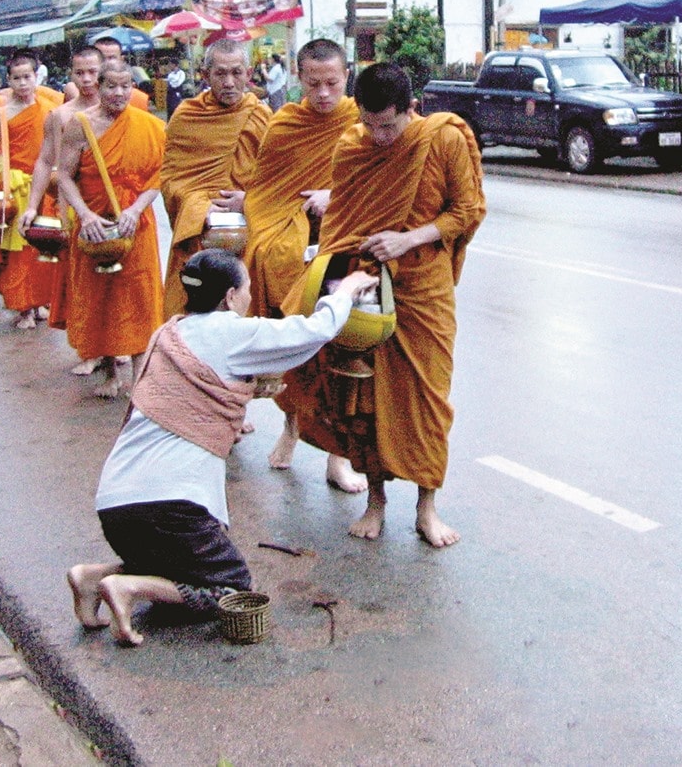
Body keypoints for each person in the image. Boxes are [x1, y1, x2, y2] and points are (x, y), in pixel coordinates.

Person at [65, 249, 379, 646]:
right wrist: (347, 289)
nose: (249, 297)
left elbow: (199, 395)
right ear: (230, 296)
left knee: (180, 561)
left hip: (116, 506)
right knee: (231, 588)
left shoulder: (167, 333)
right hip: (171, 507)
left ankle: (93, 577)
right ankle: (128, 589)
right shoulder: (233, 332)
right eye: (246, 288)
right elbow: (314, 332)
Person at [280, 61, 485, 547]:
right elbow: (341, 225)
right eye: (369, 124)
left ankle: (427, 507)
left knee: (428, 400)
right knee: (364, 400)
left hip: (423, 290)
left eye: (388, 126)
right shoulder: (352, 146)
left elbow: (468, 210)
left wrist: (408, 238)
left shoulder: (443, 139)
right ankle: (375, 501)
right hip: (367, 283)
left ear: (410, 109)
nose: (378, 136)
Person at [244, 39, 367, 493]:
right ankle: (292, 429)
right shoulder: (285, 124)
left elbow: (381, 180)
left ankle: (338, 458)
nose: (323, 94)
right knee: (294, 348)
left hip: (341, 248)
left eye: (333, 83)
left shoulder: (362, 120)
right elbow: (265, 191)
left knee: (337, 352)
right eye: (313, 84)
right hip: (291, 256)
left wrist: (335, 196)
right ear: (299, 78)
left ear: (346, 75)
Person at [56, 60, 167, 398]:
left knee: (140, 299)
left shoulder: (150, 125)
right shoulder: (80, 126)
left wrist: (136, 208)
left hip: (134, 225)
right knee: (98, 298)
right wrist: (85, 215)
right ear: (98, 88)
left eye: (125, 86)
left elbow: (159, 176)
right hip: (94, 225)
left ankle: (139, 378)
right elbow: (63, 175)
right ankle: (108, 371)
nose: (119, 93)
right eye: (111, 86)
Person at [159, 40, 271, 319]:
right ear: (205, 74)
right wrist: (199, 208)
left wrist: (249, 200)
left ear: (249, 73)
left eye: (236, 73)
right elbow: (171, 179)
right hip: (201, 233)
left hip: (248, 231)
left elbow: (277, 182)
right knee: (197, 311)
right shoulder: (187, 117)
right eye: (220, 74)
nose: (230, 82)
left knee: (247, 310)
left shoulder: (261, 116)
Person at [21, 47, 102, 367]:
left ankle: (115, 344)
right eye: (79, 73)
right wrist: (31, 206)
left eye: (93, 72)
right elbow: (44, 162)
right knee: (79, 283)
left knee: (111, 282)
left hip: (111, 206)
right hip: (73, 206)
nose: (87, 79)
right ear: (70, 75)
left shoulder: (124, 108)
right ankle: (89, 350)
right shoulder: (60, 115)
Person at [0, 53, 57, 329]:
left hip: (44, 188)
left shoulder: (50, 112)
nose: (22, 84)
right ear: (8, 80)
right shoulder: (1, 115)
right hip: (12, 188)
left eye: (27, 77)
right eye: (16, 78)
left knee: (44, 247)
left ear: (37, 77)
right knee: (16, 250)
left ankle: (40, 299)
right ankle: (24, 308)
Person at [90, 35, 151, 112]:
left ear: (121, 59)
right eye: (102, 58)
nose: (107, 63)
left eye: (112, 58)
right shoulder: (84, 92)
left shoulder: (137, 98)